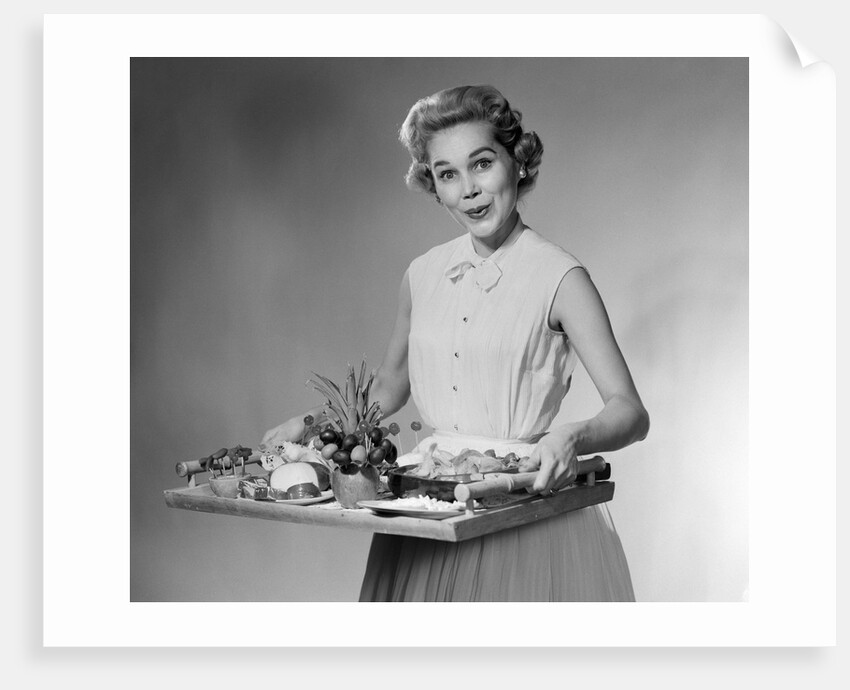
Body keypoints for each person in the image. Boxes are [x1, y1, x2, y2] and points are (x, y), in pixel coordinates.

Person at [263, 84, 650, 601]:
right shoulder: (420, 275)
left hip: (521, 508)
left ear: (517, 162)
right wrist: (311, 427)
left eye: (482, 164)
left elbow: (630, 411)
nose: (468, 189)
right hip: (426, 508)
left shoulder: (561, 277)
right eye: (448, 174)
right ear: (434, 185)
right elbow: (388, 387)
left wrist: (572, 439)